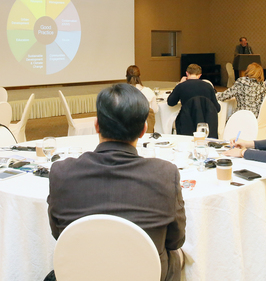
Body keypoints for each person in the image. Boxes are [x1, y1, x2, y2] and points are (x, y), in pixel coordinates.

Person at [47, 84, 186, 281]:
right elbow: (176, 240)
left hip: (83, 273)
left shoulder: (61, 172)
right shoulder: (165, 174)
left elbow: (59, 234)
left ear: (96, 125)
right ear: (143, 130)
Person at [126, 65, 158, 132]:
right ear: (139, 77)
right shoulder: (148, 91)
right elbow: (155, 110)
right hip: (145, 129)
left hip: (127, 129)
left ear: (126, 77)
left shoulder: (122, 93)